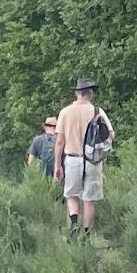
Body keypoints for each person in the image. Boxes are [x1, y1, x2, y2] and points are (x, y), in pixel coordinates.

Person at [54, 79, 113, 239]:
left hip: (72, 159)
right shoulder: (97, 111)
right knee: (89, 199)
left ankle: (74, 225)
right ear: (90, 94)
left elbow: (60, 141)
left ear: (77, 93)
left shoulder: (65, 112)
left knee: (72, 195)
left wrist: (57, 165)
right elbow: (111, 134)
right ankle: (87, 235)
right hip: (92, 160)